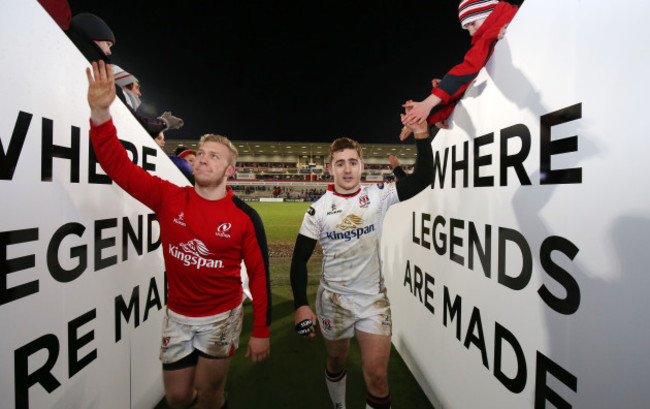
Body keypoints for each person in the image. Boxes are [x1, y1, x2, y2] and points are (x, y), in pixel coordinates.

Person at [86, 61, 271, 409]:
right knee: (177, 396)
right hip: (178, 315)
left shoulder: (243, 217)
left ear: (230, 170)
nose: (202, 160)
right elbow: (117, 166)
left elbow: (259, 275)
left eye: (213, 157)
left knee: (209, 393)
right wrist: (100, 113)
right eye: (201, 154)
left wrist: (261, 330)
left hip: (222, 316)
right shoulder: (169, 197)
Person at [290, 110, 434, 409]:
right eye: (340, 163)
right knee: (335, 362)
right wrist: (301, 305)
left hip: (372, 300)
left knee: (379, 379)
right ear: (330, 168)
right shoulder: (317, 211)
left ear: (362, 166)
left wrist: (422, 134)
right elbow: (298, 261)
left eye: (352, 162)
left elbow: (422, 178)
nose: (347, 169)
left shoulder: (379, 196)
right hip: (334, 300)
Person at [401, 0, 523, 136]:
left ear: (490, 12)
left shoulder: (501, 26)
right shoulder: (497, 29)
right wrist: (432, 117)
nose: (471, 33)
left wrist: (428, 104)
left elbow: (469, 68)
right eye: (467, 27)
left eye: (472, 23)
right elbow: (465, 83)